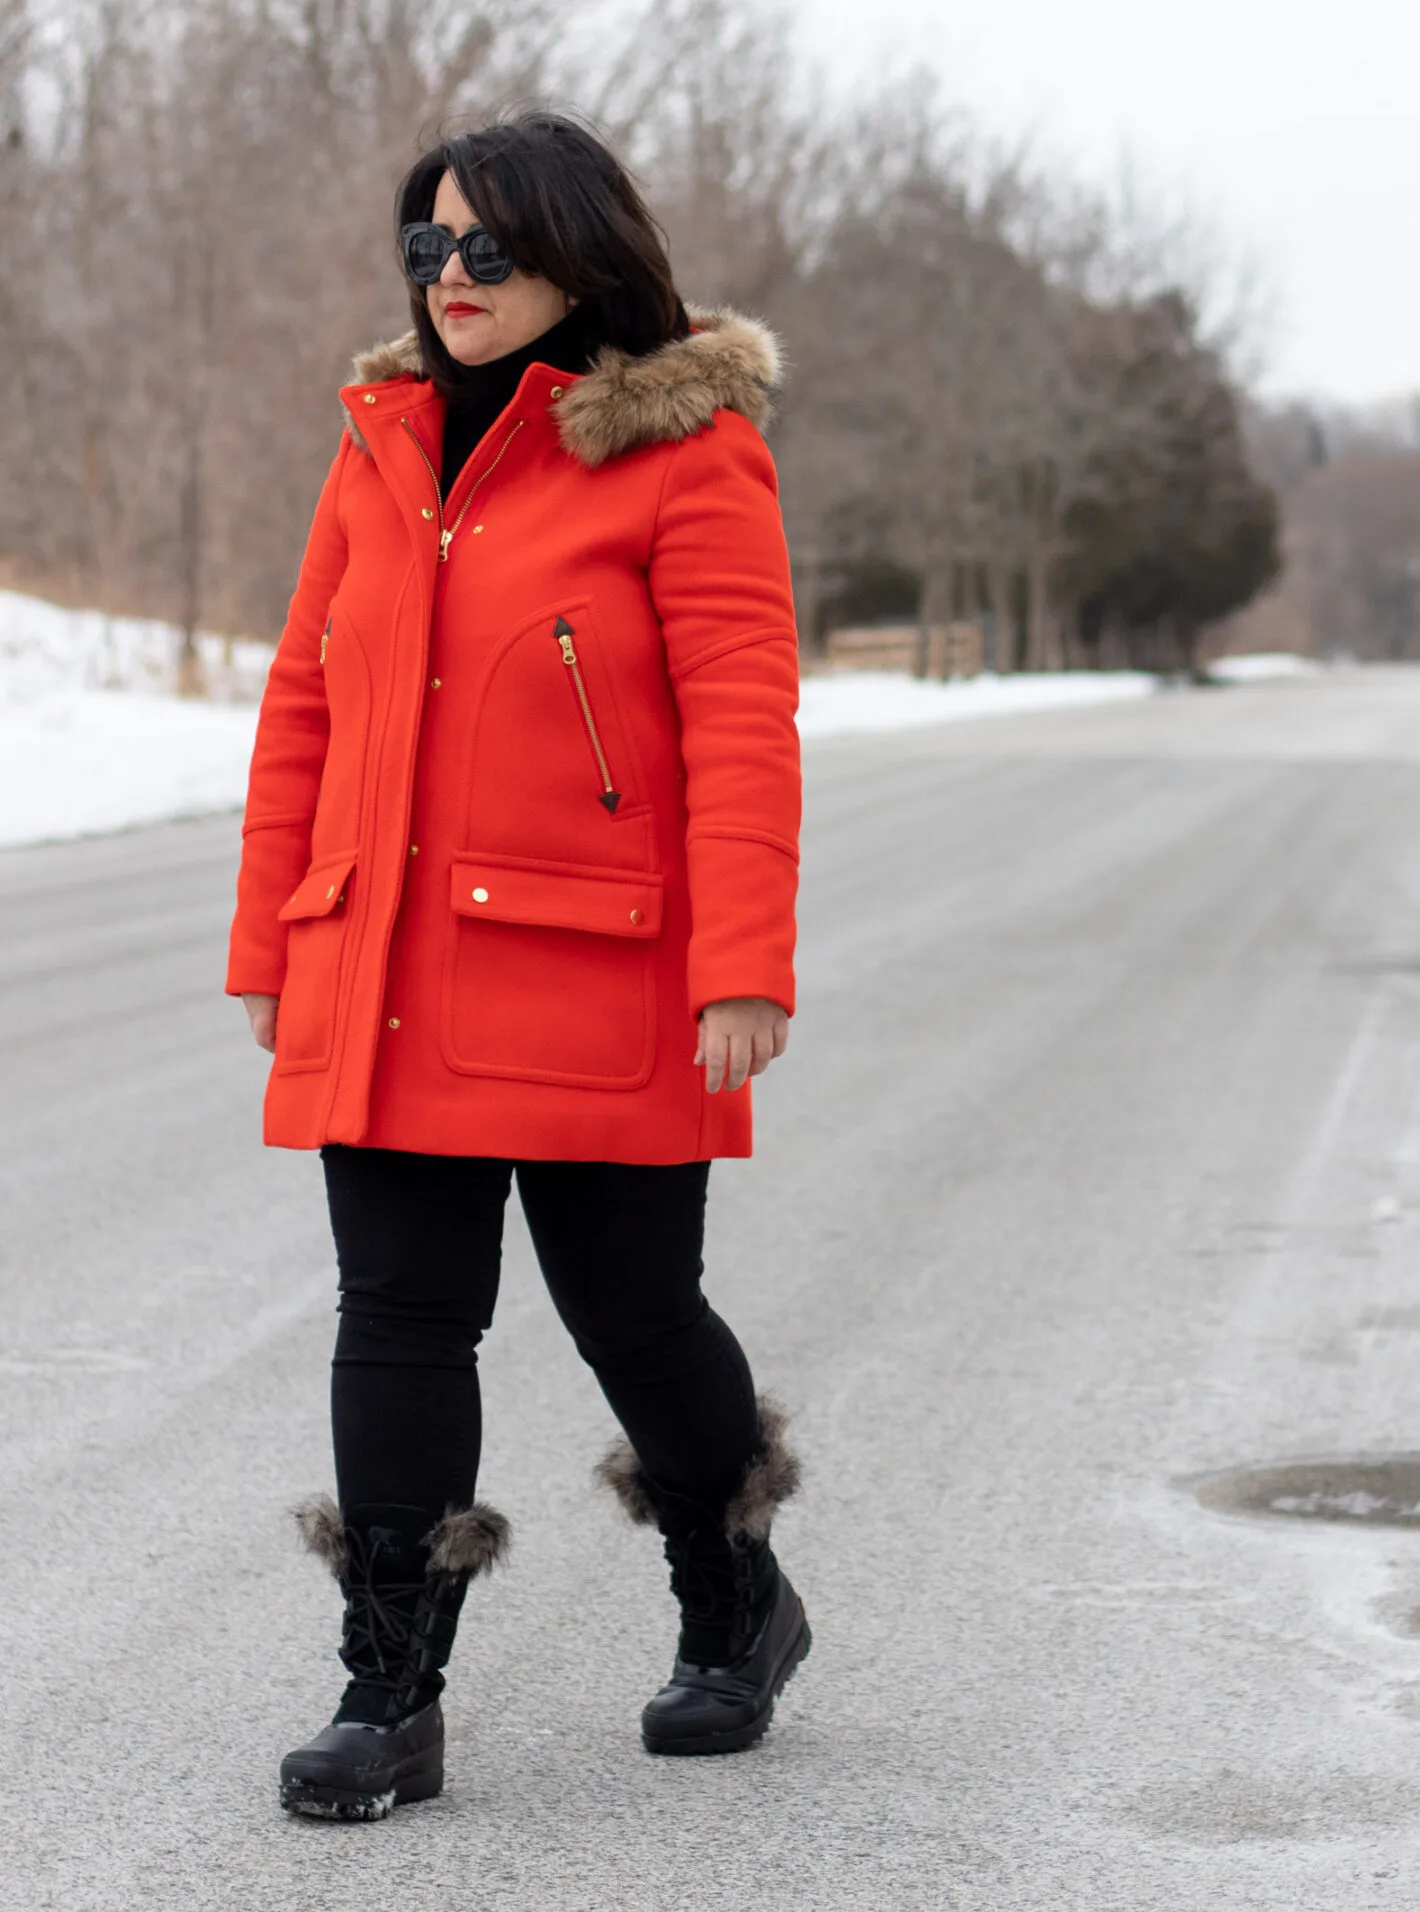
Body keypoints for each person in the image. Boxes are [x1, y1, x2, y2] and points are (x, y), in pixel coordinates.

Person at [225, 110, 807, 1820]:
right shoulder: (381, 439)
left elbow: (740, 723)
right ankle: (387, 1693)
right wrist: (273, 929)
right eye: (429, 247)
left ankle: (733, 1599)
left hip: (596, 964)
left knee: (631, 1310)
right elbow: (306, 704)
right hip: (383, 962)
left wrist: (744, 960)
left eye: (489, 246)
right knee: (401, 1314)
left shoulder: (684, 451)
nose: (453, 278)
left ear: (578, 250)